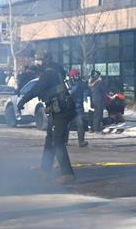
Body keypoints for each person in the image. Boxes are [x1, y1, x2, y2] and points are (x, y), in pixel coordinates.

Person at [18, 50, 76, 184]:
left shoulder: (49, 73)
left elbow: (37, 89)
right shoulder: (55, 70)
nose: (36, 62)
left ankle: (67, 173)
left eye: (38, 60)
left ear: (45, 60)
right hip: (58, 108)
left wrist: (22, 101)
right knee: (50, 138)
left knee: (57, 142)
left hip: (62, 110)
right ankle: (45, 168)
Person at [66, 69, 89, 147]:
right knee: (68, 125)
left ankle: (81, 141)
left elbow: (74, 92)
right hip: (72, 108)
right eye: (75, 75)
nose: (77, 77)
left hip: (77, 108)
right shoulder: (71, 84)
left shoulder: (79, 84)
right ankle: (66, 141)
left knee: (80, 125)